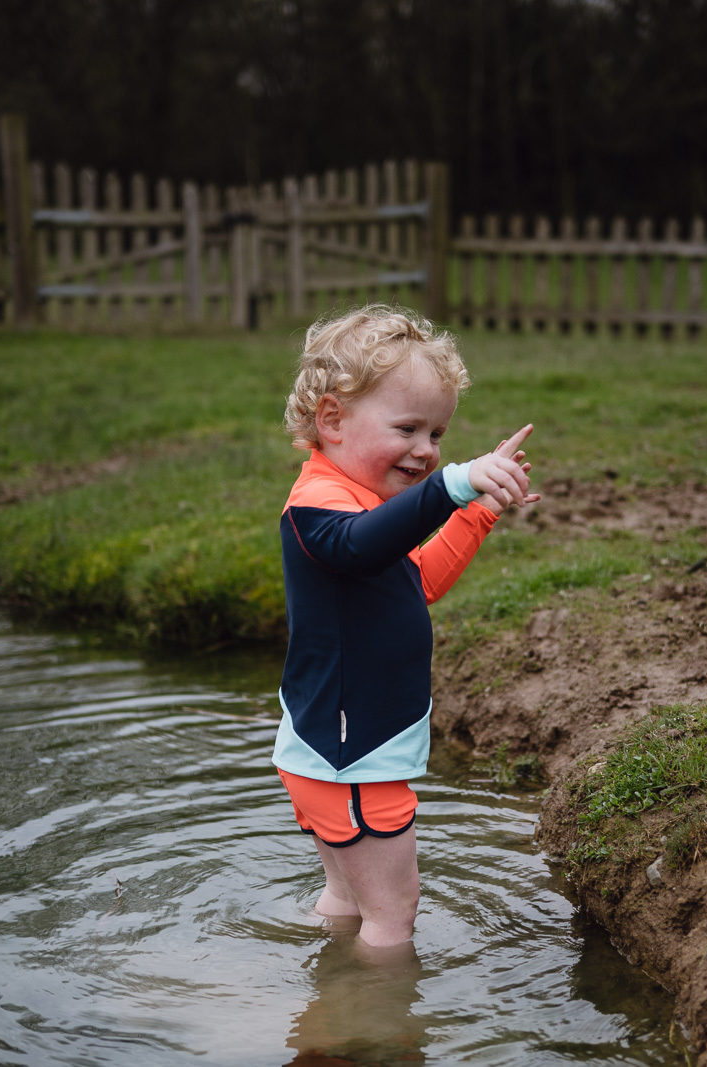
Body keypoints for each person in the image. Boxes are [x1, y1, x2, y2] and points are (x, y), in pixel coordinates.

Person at [274, 304, 539, 947]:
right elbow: (362, 546)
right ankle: (380, 1029)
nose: (425, 450)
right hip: (352, 756)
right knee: (394, 917)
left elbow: (418, 580)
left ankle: (323, 1024)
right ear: (331, 419)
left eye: (438, 434)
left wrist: (475, 510)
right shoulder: (320, 505)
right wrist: (450, 486)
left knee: (347, 900)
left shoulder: (361, 501)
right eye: (408, 428)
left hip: (336, 751)